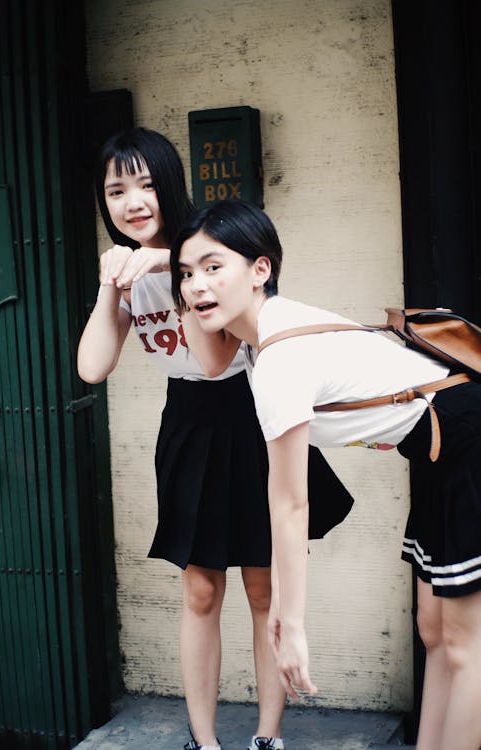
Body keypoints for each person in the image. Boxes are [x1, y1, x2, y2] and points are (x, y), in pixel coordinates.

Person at [170, 199, 481, 750]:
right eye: (186, 273)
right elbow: (210, 363)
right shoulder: (264, 342)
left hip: (465, 443)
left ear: (260, 269)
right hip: (437, 450)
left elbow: (290, 504)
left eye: (214, 267)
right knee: (435, 632)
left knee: (464, 642)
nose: (196, 286)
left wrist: (291, 625)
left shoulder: (280, 359)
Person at [77, 127, 291, 750]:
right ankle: (204, 740)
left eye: (146, 183)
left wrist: (176, 270)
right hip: (188, 422)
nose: (133, 201)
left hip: (250, 416)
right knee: (200, 588)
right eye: (116, 190)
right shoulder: (125, 269)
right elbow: (91, 366)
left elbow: (218, 362)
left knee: (263, 587)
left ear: (170, 184)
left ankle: (268, 737)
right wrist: (108, 285)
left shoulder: (211, 249)